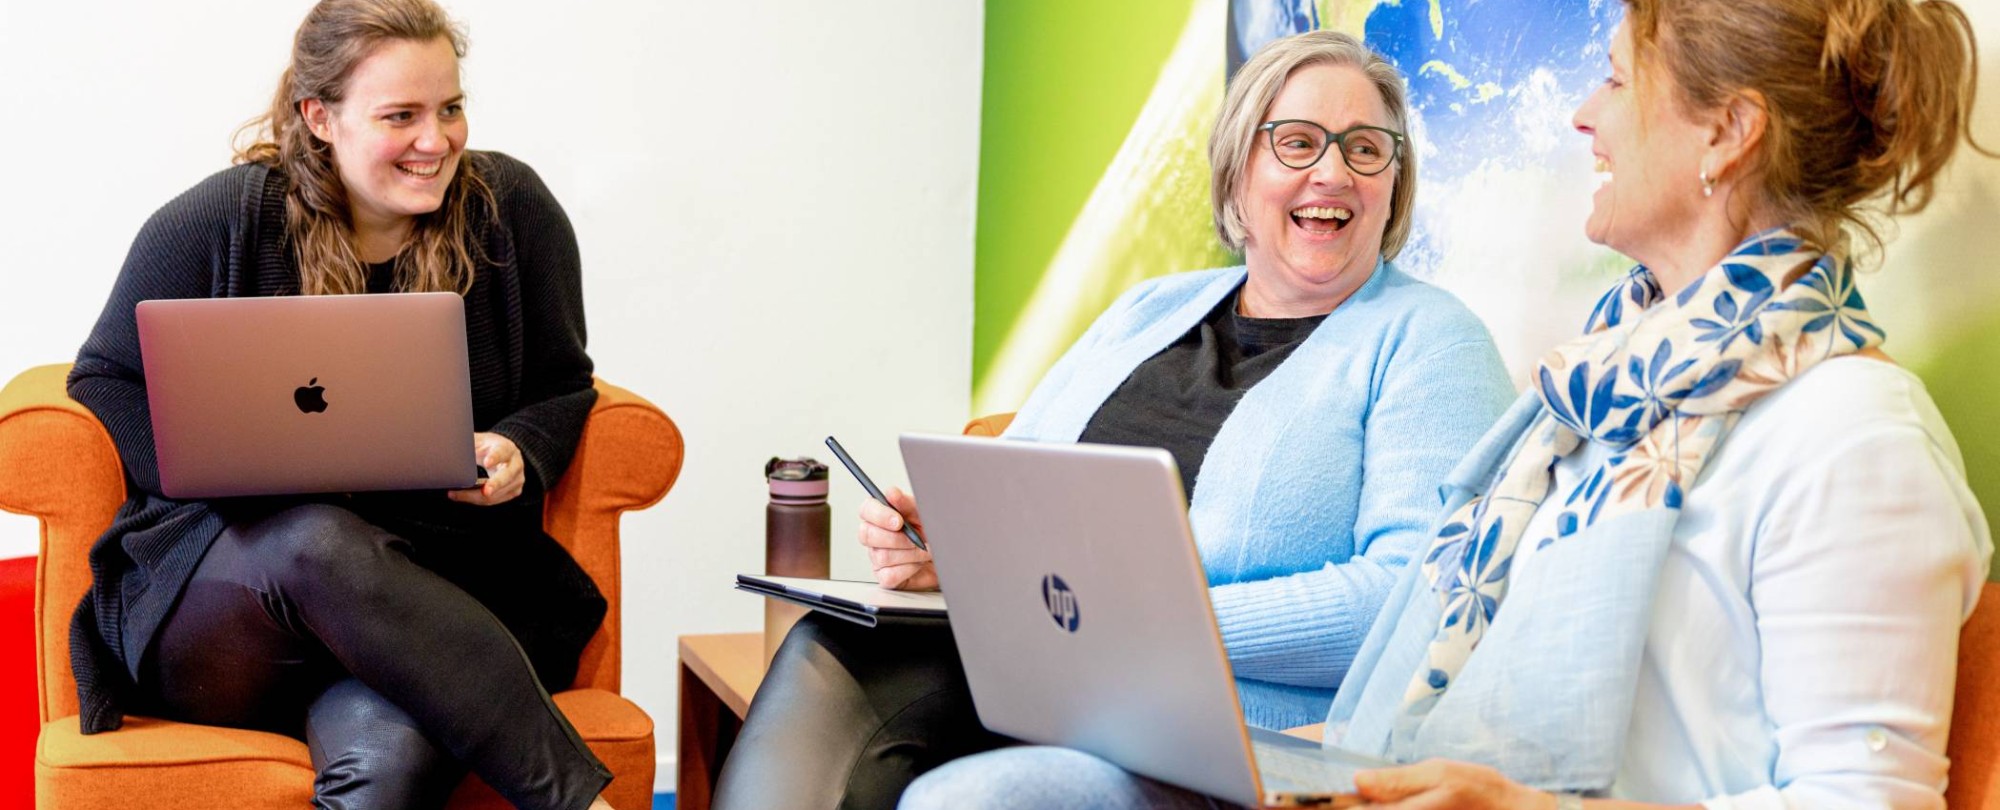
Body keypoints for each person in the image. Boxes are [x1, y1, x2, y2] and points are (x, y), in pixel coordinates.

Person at [899, 0, 1994, 808]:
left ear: (1726, 133)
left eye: (1613, 80)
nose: (1581, 113)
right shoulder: (1597, 399)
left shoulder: (1853, 440)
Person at [711, 31, 1517, 810]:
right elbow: (1025, 488)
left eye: (1364, 148)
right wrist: (957, 549)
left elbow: (1416, 599)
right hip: (1033, 671)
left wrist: (1156, 631)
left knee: (969, 801)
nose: (1333, 172)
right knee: (826, 655)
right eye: (1298, 142)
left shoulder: (1432, 341)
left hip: (1216, 728)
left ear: (1393, 183)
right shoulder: (1149, 308)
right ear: (1238, 173)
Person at [65, 1, 625, 808]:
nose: (437, 141)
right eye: (402, 116)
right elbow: (104, 376)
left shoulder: (512, 210)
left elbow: (565, 383)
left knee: (387, 763)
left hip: (432, 594)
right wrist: (206, 473)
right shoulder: (222, 219)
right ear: (319, 116)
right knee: (316, 540)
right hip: (236, 605)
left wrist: (519, 449)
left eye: (451, 109)